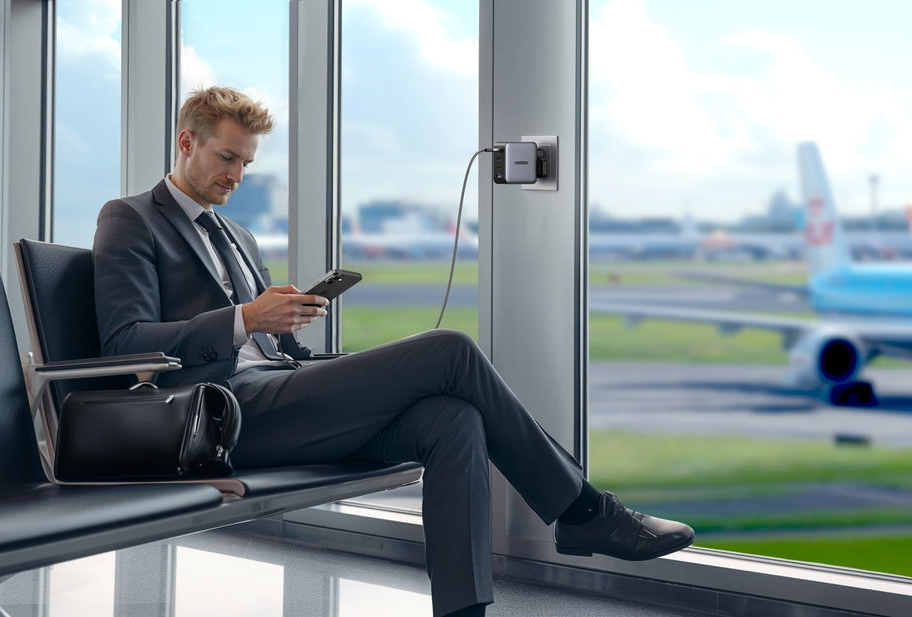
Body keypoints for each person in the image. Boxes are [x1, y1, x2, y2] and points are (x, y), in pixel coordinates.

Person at [93, 86, 694, 617]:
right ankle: (583, 511)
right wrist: (246, 318)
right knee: (449, 349)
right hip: (217, 417)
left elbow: (274, 350)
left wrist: (287, 324)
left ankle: (463, 613)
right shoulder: (131, 219)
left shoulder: (238, 236)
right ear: (186, 142)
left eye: (247, 163)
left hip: (279, 394)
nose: (238, 176)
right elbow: (125, 342)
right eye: (227, 158)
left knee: (453, 420)